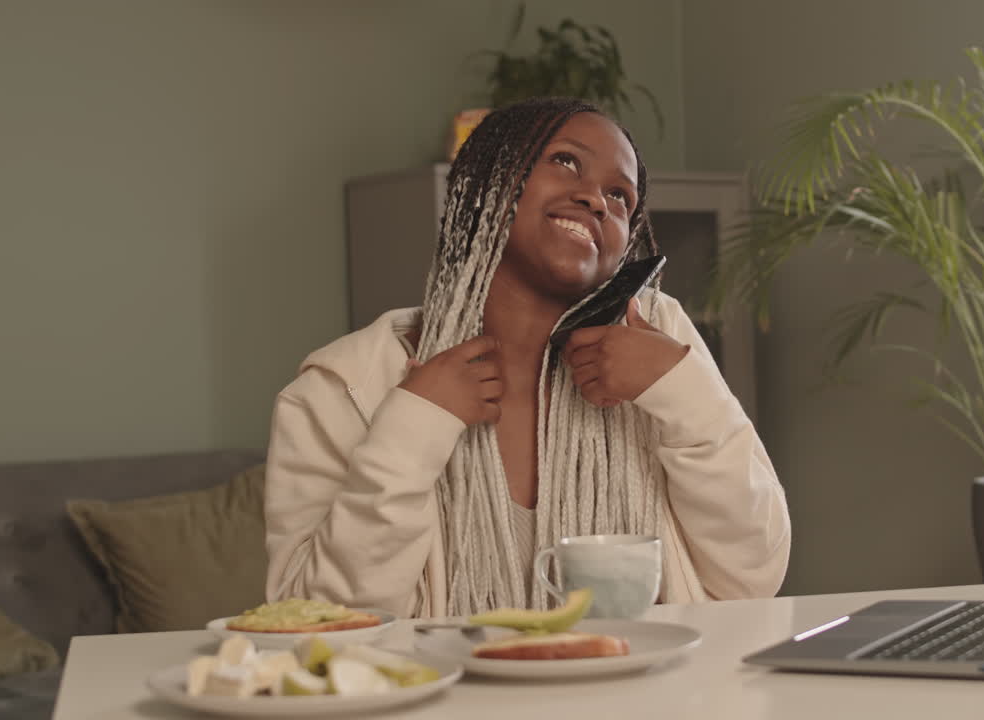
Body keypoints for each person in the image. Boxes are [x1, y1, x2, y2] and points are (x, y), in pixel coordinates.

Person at [264, 97, 790, 618]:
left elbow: (751, 576)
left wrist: (683, 393)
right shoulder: (340, 390)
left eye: (620, 196)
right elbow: (316, 624)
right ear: (484, 184)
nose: (596, 200)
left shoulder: (657, 339)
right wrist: (412, 428)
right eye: (565, 161)